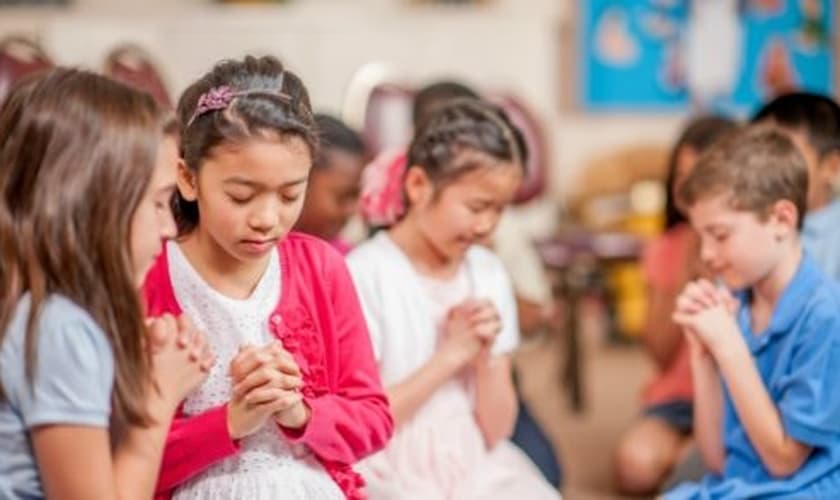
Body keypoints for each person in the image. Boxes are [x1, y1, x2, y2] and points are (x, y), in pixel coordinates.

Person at [142, 55, 393, 500]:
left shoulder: (322, 268)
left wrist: (300, 413)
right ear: (187, 178)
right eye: (241, 196)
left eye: (290, 194)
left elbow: (373, 422)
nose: (267, 218)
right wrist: (230, 422)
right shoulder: (151, 275)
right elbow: (124, 460)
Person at [0, 68, 211, 499]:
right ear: (96, 201)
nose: (169, 226)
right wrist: (157, 399)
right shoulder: (59, 328)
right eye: (157, 202)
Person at [348, 98, 557, 499]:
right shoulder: (366, 274)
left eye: (500, 210)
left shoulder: (487, 272)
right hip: (387, 460)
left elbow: (496, 430)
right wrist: (453, 355)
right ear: (418, 186)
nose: (487, 226)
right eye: (477, 207)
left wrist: (489, 358)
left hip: (472, 456)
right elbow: (364, 424)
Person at [665, 125, 840, 498]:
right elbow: (717, 459)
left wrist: (728, 347)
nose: (707, 255)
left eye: (721, 235)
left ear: (781, 220)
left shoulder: (826, 315)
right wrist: (703, 356)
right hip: (743, 483)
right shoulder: (738, 300)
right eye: (702, 238)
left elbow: (783, 461)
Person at [614, 116, 737, 495]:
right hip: (676, 399)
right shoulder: (667, 245)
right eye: (680, 177)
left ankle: (691, 463)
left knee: (694, 469)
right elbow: (660, 355)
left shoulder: (749, 245)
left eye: (701, 177)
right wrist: (684, 269)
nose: (687, 190)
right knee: (634, 467)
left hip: (736, 399)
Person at [294, 113, 367, 255]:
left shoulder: (345, 259)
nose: (352, 209)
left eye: (355, 196)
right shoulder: (261, 256)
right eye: (343, 197)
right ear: (302, 185)